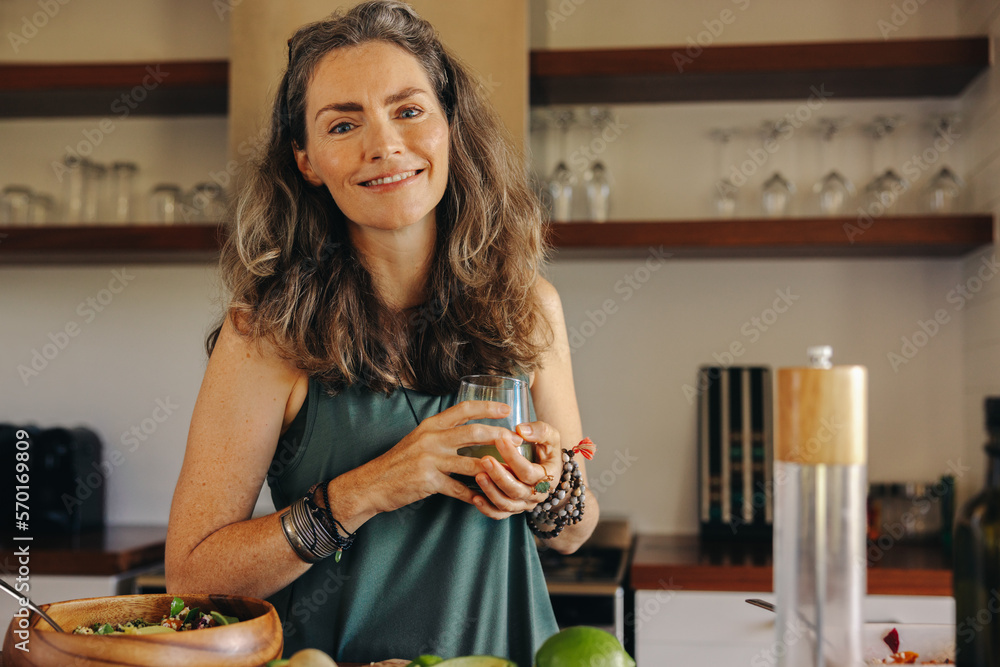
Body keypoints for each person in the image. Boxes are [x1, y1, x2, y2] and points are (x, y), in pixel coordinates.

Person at [164, 1, 598, 663]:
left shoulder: (529, 306)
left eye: (409, 110)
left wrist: (552, 486)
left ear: (450, 124)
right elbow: (192, 580)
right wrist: (374, 486)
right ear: (307, 160)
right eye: (344, 123)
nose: (385, 145)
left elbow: (573, 529)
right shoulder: (263, 335)